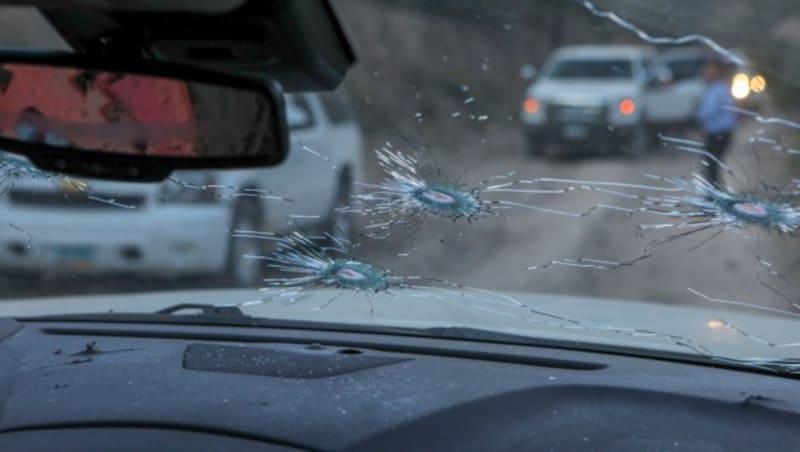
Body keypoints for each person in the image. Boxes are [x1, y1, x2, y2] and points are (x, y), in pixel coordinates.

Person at [695, 57, 737, 188]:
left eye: (709, 68)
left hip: (717, 134)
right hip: (722, 133)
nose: (706, 71)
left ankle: (715, 198)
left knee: (712, 167)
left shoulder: (717, 89)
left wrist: (696, 114)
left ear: (717, 71)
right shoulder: (721, 87)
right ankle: (716, 196)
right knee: (713, 167)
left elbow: (708, 111)